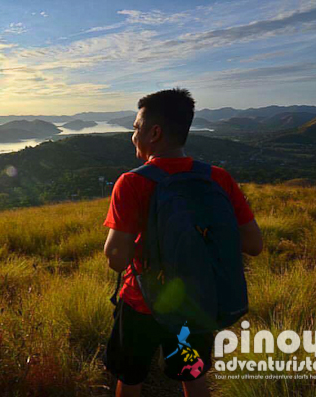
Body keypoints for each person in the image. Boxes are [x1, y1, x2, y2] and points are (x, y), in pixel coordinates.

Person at [102, 88, 263, 397]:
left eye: (136, 128)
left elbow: (115, 257)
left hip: (141, 303)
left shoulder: (132, 182)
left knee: (131, 377)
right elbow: (254, 244)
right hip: (198, 300)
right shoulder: (218, 178)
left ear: (154, 133)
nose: (133, 136)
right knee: (192, 375)